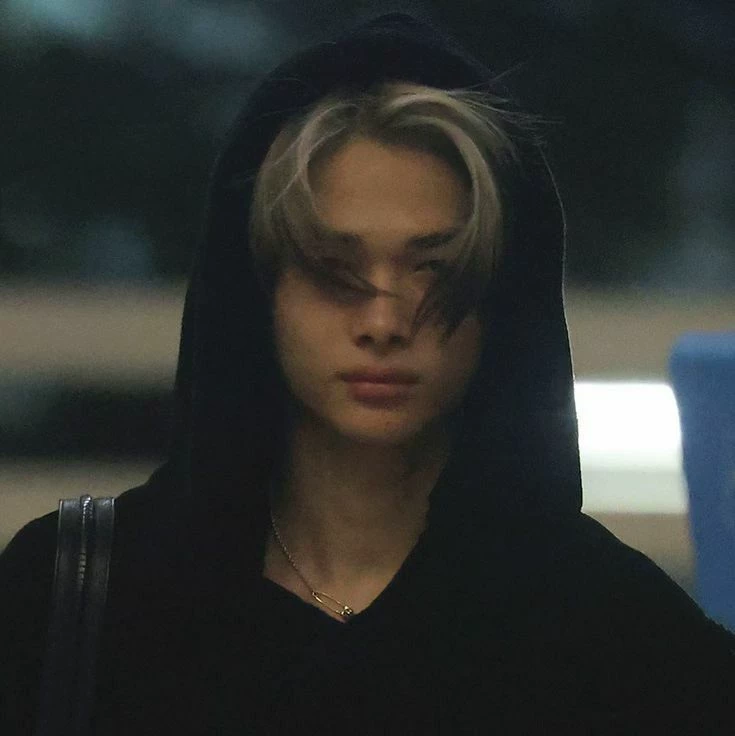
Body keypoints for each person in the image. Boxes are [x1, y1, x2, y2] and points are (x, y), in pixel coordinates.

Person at [1, 12, 733, 734]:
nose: (383, 321)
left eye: (434, 270)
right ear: (262, 290)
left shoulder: (619, 639)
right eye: (333, 269)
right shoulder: (74, 595)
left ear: (498, 299)